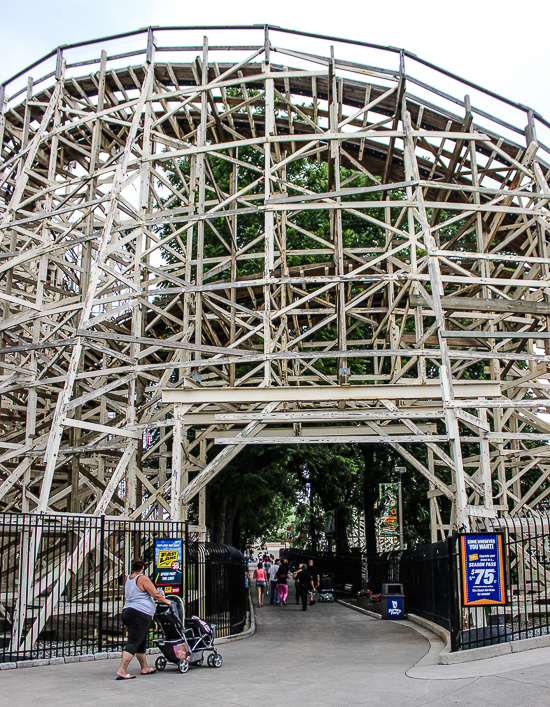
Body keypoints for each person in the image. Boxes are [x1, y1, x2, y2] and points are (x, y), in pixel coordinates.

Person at [116, 558, 171, 680]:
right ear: (142, 568)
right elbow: (155, 594)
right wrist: (166, 600)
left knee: (140, 640)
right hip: (139, 613)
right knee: (133, 643)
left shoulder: (128, 579)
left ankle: (145, 667)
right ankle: (122, 670)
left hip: (127, 611)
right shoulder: (143, 579)